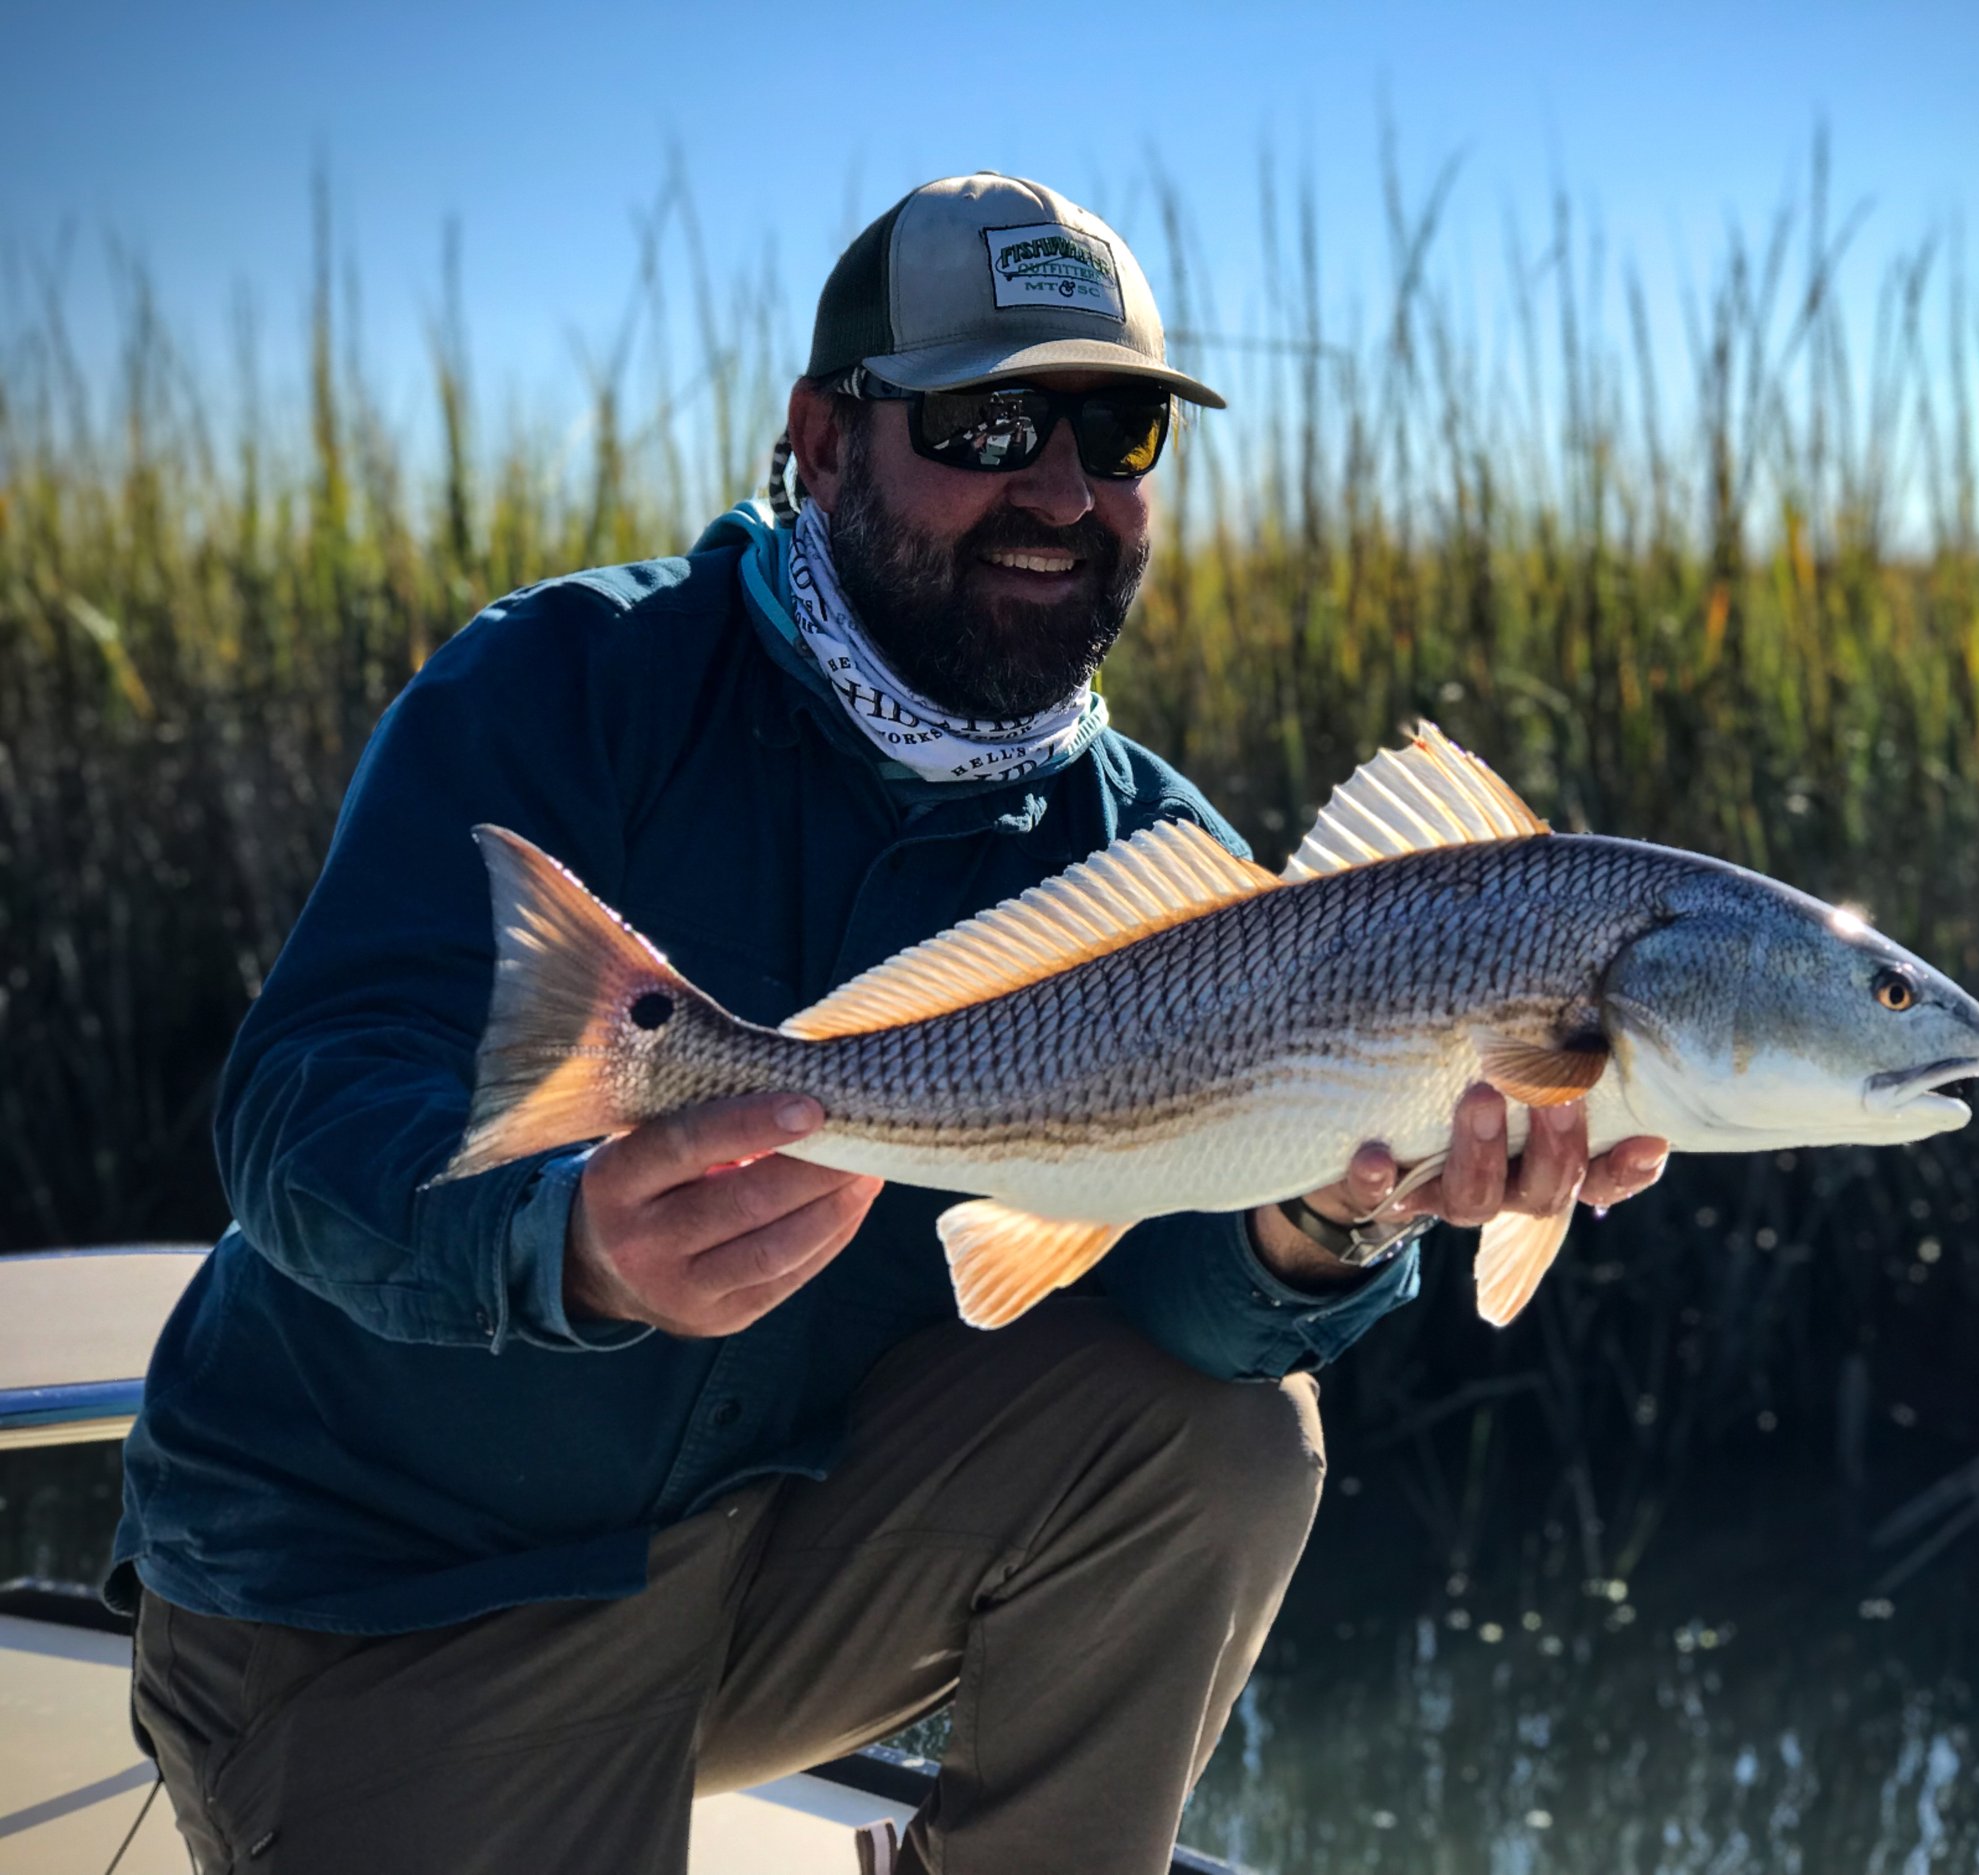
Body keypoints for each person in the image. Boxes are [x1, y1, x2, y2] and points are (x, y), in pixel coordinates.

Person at [109, 172, 1668, 1875]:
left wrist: (1325, 1218)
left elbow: (1170, 1300)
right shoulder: (570, 682)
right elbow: (303, 1111)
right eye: (988, 422)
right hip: (377, 1597)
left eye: (1121, 432)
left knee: (1227, 1440)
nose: (1061, 491)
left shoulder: (1149, 847)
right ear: (825, 441)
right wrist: (566, 1248)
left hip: (758, 1576)